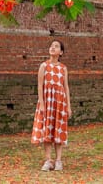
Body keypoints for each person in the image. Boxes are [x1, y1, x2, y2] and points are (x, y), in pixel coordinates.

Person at [31, 39, 71, 172]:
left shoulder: (63, 68)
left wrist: (68, 106)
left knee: (58, 130)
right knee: (47, 130)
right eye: (51, 46)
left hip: (60, 102)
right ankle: (48, 160)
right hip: (47, 102)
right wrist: (42, 104)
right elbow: (39, 86)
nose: (53, 48)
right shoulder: (44, 66)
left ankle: (59, 160)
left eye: (56, 46)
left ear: (61, 52)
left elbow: (66, 87)